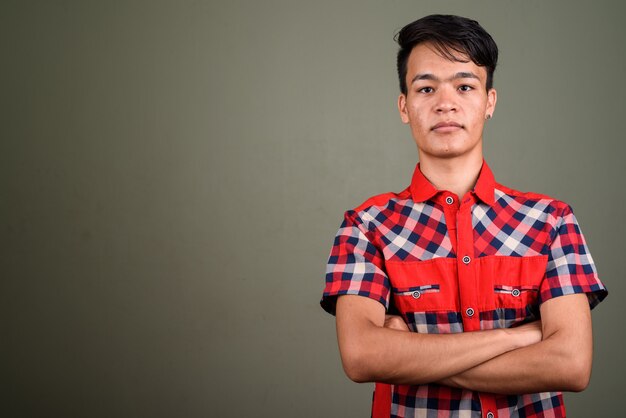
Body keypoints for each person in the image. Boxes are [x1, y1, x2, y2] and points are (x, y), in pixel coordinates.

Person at [320, 14, 607, 418]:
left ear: (489, 101)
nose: (445, 103)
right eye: (425, 87)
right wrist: (517, 338)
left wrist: (410, 355)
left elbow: (572, 365)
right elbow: (363, 356)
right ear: (404, 106)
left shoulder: (551, 221)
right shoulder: (367, 227)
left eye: (465, 85)